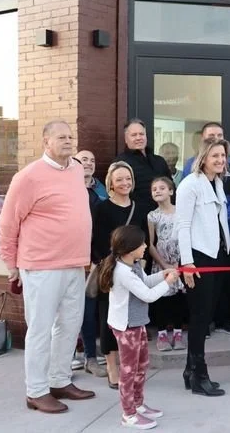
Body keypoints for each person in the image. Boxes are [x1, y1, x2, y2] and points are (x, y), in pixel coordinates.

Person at [0, 120, 95, 413]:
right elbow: (7, 223)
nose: (68, 141)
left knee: (69, 325)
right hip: (41, 266)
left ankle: (59, 380)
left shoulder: (77, 169)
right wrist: (10, 263)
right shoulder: (28, 177)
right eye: (61, 137)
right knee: (40, 329)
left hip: (74, 264)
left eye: (70, 136)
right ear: (46, 142)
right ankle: (36, 391)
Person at [99, 225, 178, 429]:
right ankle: (129, 414)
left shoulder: (133, 265)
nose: (145, 246)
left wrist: (163, 275)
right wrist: (168, 283)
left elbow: (145, 282)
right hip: (126, 327)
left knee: (141, 365)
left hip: (137, 323)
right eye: (141, 243)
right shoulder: (122, 272)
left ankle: (138, 404)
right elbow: (148, 295)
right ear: (129, 248)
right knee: (128, 371)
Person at [176, 138, 230, 397]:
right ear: (203, 158)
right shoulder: (190, 185)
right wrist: (187, 263)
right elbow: (183, 226)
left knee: (206, 316)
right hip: (198, 259)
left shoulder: (218, 183)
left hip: (217, 255)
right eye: (215, 156)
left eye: (223, 156)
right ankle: (200, 375)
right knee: (199, 319)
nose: (220, 160)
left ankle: (190, 370)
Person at [93, 161, 150, 391]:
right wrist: (115, 266)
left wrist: (141, 265)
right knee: (110, 318)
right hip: (111, 272)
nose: (124, 183)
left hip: (135, 271)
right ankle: (112, 367)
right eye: (119, 179)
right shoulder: (102, 208)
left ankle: (130, 366)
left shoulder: (141, 207)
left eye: (128, 178)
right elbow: (96, 243)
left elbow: (145, 240)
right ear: (111, 184)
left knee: (131, 319)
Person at [182, 122, 230, 336]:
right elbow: (185, 220)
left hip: (226, 234)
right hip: (200, 246)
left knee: (222, 284)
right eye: (211, 137)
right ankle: (204, 326)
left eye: (220, 135)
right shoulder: (191, 175)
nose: (220, 160)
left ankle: (222, 319)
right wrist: (187, 260)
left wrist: (221, 216)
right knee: (202, 297)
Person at [74, 149, 108, 377]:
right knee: (80, 311)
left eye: (92, 160)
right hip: (74, 259)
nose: (89, 163)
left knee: (94, 309)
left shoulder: (100, 189)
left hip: (99, 258)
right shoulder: (68, 188)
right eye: (84, 159)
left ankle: (92, 355)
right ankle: (86, 357)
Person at [147, 177, 186, 352]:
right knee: (162, 298)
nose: (157, 191)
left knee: (178, 298)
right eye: (154, 188)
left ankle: (178, 333)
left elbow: (186, 237)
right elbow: (151, 243)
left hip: (178, 261)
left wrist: (179, 262)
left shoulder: (181, 212)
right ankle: (162, 334)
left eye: (162, 188)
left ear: (171, 191)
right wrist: (163, 264)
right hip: (161, 262)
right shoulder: (152, 215)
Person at [112, 118, 172, 210]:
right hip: (137, 217)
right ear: (126, 139)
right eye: (134, 135)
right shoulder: (121, 163)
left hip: (164, 215)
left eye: (141, 134)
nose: (138, 138)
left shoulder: (159, 161)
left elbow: (171, 187)